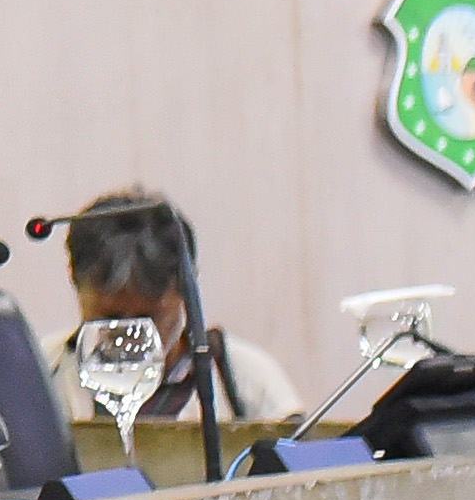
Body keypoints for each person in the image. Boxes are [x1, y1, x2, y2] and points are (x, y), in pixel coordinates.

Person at [45, 187, 298, 437]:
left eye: (147, 321)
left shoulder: (247, 381)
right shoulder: (43, 376)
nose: (129, 339)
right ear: (75, 282)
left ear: (187, 291)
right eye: (110, 320)